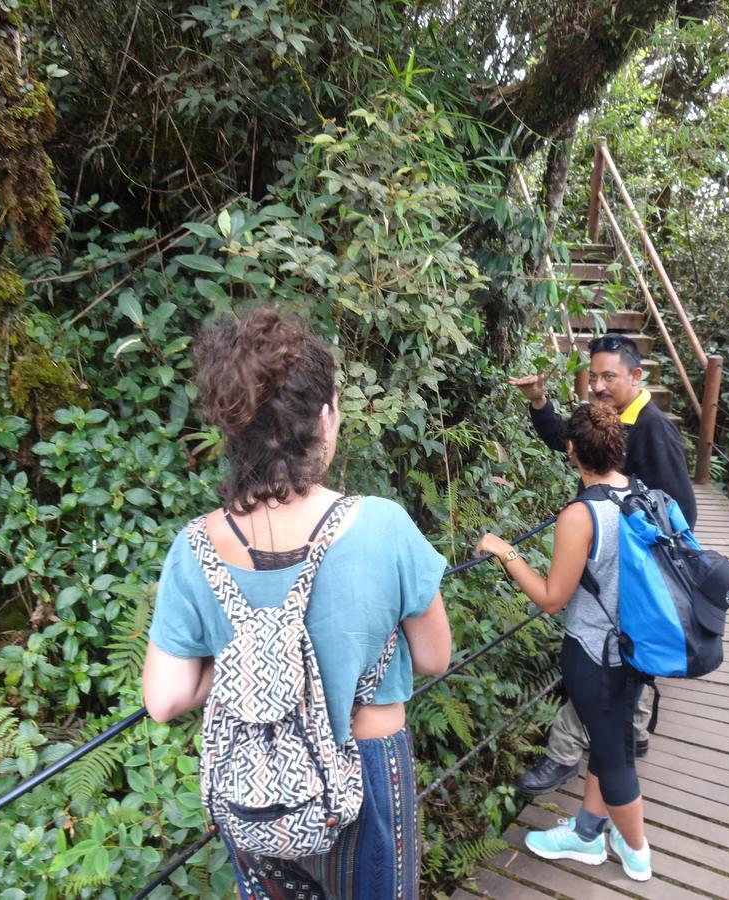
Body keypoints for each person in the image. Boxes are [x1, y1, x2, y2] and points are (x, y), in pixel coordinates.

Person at [142, 308, 452, 900]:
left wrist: (246, 656)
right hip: (369, 769)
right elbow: (435, 656)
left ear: (232, 431)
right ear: (326, 420)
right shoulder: (384, 526)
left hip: (259, 786)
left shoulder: (195, 547)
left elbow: (164, 699)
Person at [508, 332, 697, 795]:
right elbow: (572, 443)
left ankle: (566, 755)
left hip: (632, 574)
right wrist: (539, 403)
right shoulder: (612, 420)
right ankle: (631, 734)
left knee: (605, 656)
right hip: (611, 566)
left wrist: (625, 537)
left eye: (608, 376)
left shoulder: (652, 429)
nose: (597, 385)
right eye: (593, 376)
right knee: (623, 662)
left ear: (636, 375)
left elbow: (681, 513)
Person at [476, 403, 652, 881]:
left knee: (615, 760)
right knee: (608, 741)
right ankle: (587, 834)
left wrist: (505, 551)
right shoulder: (640, 493)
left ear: (572, 450)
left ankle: (637, 854)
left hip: (595, 654)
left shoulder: (582, 514)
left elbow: (553, 598)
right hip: (637, 649)